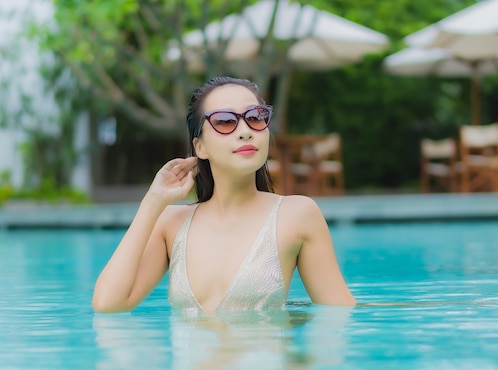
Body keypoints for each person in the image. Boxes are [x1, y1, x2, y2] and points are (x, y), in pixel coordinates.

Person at [92, 76, 356, 315]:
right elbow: (108, 304)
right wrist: (153, 203)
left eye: (255, 117)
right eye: (225, 121)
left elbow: (338, 318)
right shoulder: (171, 223)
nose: (245, 130)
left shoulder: (297, 215)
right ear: (201, 147)